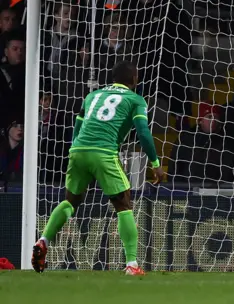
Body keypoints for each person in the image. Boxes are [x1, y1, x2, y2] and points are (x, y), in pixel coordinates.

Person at [31, 61, 165, 276]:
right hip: (104, 152)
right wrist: (155, 164)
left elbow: (77, 127)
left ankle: (43, 240)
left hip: (78, 150)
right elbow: (143, 132)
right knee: (124, 204)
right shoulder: (135, 99)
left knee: (70, 201)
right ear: (133, 79)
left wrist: (77, 153)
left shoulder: (92, 96)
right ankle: (132, 264)